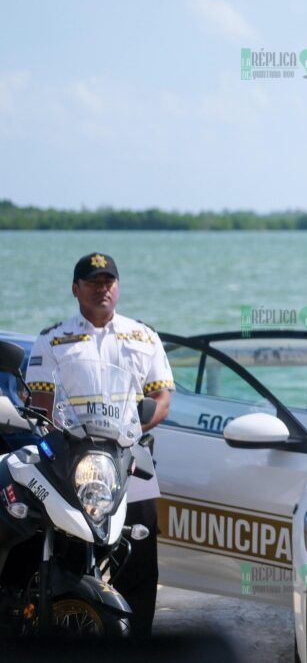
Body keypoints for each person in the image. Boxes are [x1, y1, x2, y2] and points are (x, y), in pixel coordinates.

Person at [25, 252, 174, 637]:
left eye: (108, 281)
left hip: (130, 453)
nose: (101, 287)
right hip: (74, 456)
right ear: (76, 289)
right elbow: (40, 403)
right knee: (68, 543)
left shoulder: (143, 336)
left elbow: (162, 399)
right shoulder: (52, 339)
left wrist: (138, 425)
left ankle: (137, 641)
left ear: (118, 288)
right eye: (92, 281)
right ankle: (67, 626)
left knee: (141, 551)